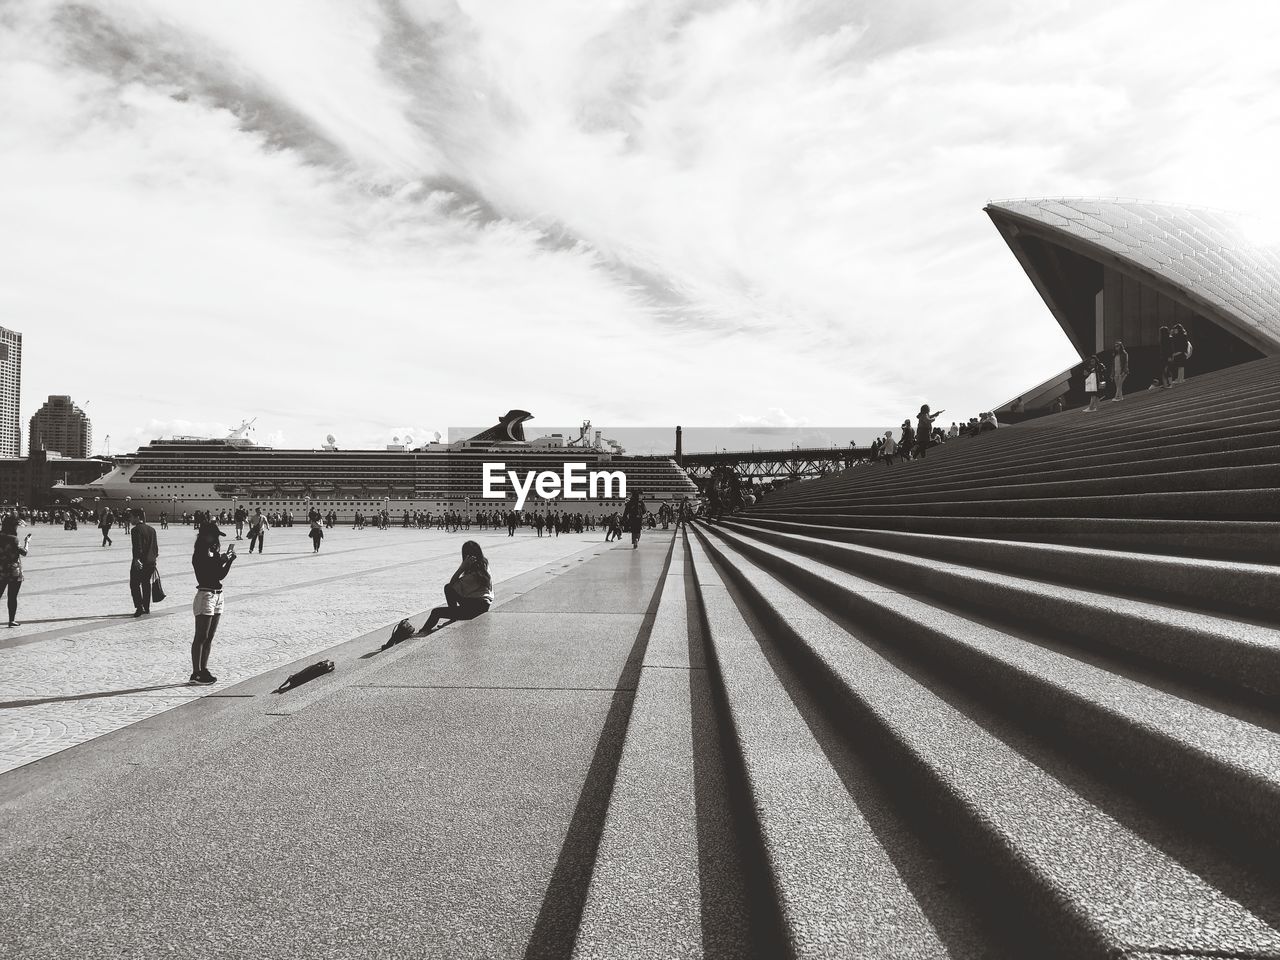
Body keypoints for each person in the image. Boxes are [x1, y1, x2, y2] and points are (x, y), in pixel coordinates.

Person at [190, 520, 236, 685]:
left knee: (209, 636)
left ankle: (204, 668)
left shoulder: (213, 552)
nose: (217, 539)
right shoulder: (199, 554)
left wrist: (228, 561)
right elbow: (207, 573)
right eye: (214, 536)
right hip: (205, 596)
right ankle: (196, 672)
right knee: (201, 636)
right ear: (204, 536)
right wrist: (221, 559)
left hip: (218, 595)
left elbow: (219, 575)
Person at [416, 540, 493, 635]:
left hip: (474, 609)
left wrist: (462, 567)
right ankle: (453, 616)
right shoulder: (484, 565)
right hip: (483, 604)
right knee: (448, 588)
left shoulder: (473, 575)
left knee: (436, 612)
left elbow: (452, 584)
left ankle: (423, 631)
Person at [0, 515, 30, 627]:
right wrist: (27, 542)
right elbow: (24, 552)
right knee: (12, 597)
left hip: (1, 570)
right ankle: (11, 620)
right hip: (13, 571)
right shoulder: (13, 539)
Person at [130, 509, 159, 617]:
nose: (130, 519)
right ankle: (146, 607)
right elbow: (155, 548)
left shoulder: (135, 530)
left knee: (134, 584)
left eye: (131, 517)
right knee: (146, 584)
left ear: (137, 517)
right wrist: (153, 558)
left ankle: (139, 606)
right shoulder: (152, 529)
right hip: (151, 562)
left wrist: (137, 559)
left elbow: (137, 546)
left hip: (140, 562)